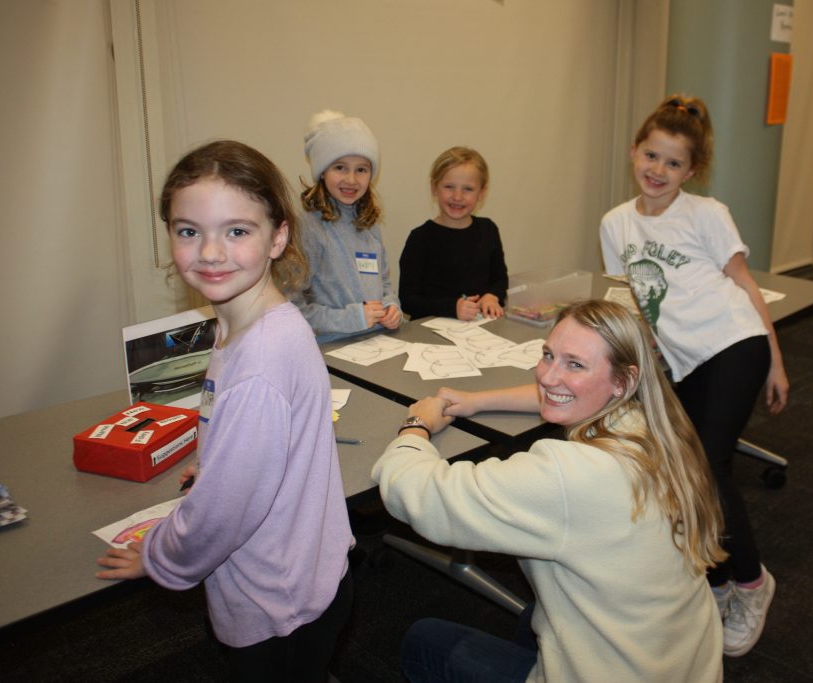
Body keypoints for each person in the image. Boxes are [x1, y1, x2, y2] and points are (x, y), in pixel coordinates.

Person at [96, 140, 353, 682]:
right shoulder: (249, 320)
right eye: (189, 231)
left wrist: (158, 555)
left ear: (277, 236)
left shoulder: (259, 358)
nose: (210, 252)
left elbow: (221, 515)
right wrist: (218, 460)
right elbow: (260, 441)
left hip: (276, 602)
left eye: (237, 230)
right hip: (303, 571)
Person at [372, 300, 725, 682]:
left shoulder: (570, 473)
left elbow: (425, 496)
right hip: (678, 661)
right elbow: (562, 392)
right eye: (547, 355)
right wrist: (475, 401)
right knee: (533, 616)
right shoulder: (656, 426)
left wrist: (416, 426)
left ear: (623, 380)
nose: (548, 376)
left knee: (423, 639)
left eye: (575, 364)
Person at [599, 93, 789, 657]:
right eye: (651, 156)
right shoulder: (616, 223)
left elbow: (746, 285)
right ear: (634, 152)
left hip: (736, 343)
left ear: (692, 170)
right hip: (681, 360)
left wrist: (775, 358)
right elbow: (632, 297)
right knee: (682, 467)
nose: (658, 171)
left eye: (674, 163)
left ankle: (752, 584)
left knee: (709, 467)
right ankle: (716, 578)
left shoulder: (707, 213)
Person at [294, 109, 402, 342]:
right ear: (322, 171)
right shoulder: (308, 225)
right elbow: (293, 307)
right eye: (340, 167)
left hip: (376, 342)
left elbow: (383, 282)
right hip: (332, 350)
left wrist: (391, 307)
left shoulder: (368, 219)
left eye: (361, 169)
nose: (351, 180)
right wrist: (352, 318)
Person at [398, 146, 508, 320]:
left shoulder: (488, 230)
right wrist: (451, 308)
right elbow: (407, 300)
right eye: (449, 187)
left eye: (468, 189)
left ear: (482, 193)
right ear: (434, 188)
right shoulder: (420, 238)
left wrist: (492, 296)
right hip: (431, 334)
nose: (457, 197)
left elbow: (500, 280)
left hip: (478, 331)